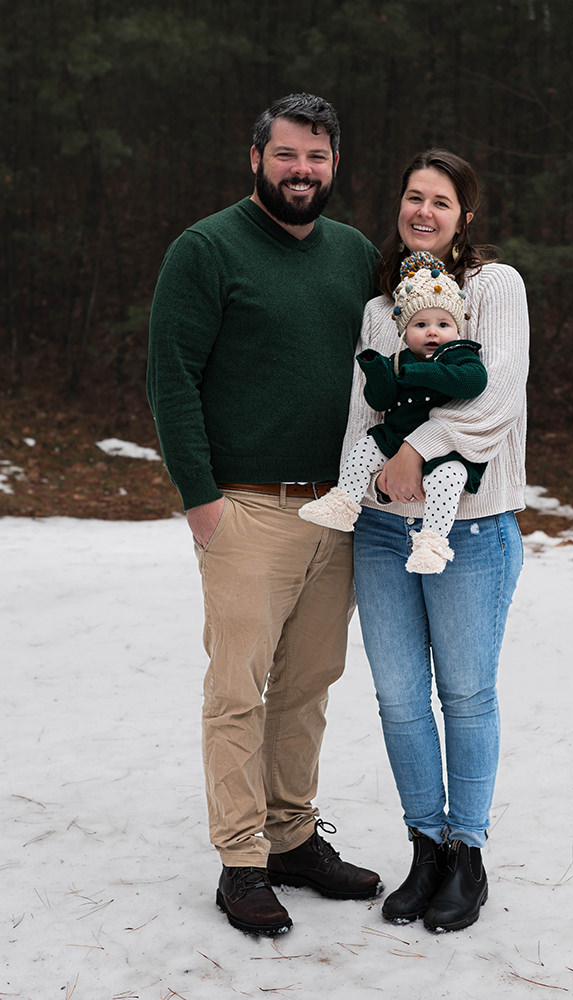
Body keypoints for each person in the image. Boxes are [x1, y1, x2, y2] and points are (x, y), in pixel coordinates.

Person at [146, 93, 382, 937]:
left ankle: (291, 838)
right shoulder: (206, 249)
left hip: (336, 507)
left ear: (333, 165)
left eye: (315, 158)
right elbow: (170, 375)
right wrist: (201, 498)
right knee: (236, 691)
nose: (301, 171)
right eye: (286, 155)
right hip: (244, 506)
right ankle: (242, 859)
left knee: (309, 685)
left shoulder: (353, 252)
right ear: (256, 158)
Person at [341, 149, 529, 932]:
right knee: (396, 698)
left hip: (471, 527)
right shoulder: (383, 308)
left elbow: (495, 393)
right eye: (412, 197)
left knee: (464, 694)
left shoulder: (493, 287)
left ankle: (467, 852)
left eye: (440, 201)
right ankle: (424, 844)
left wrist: (415, 451)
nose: (423, 211)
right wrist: (356, 491)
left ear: (465, 215)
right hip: (384, 534)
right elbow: (363, 413)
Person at [298, 251, 488, 573]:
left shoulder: (459, 357)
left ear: (456, 328)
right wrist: (378, 370)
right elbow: (378, 400)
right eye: (421, 324)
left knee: (448, 479)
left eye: (443, 324)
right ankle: (344, 501)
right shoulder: (400, 359)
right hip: (395, 438)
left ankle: (431, 544)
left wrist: (418, 374)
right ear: (404, 331)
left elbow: (473, 383)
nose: (432, 332)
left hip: (445, 450)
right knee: (364, 449)